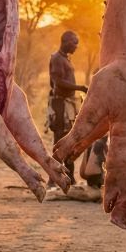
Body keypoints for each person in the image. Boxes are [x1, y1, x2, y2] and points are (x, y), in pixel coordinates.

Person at [48, 31, 88, 178]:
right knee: (59, 137)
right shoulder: (57, 58)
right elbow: (58, 83)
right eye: (74, 42)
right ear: (65, 42)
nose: (76, 46)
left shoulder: (65, 58)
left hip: (67, 103)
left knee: (68, 138)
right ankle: (53, 177)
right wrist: (80, 88)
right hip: (60, 104)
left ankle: (69, 176)